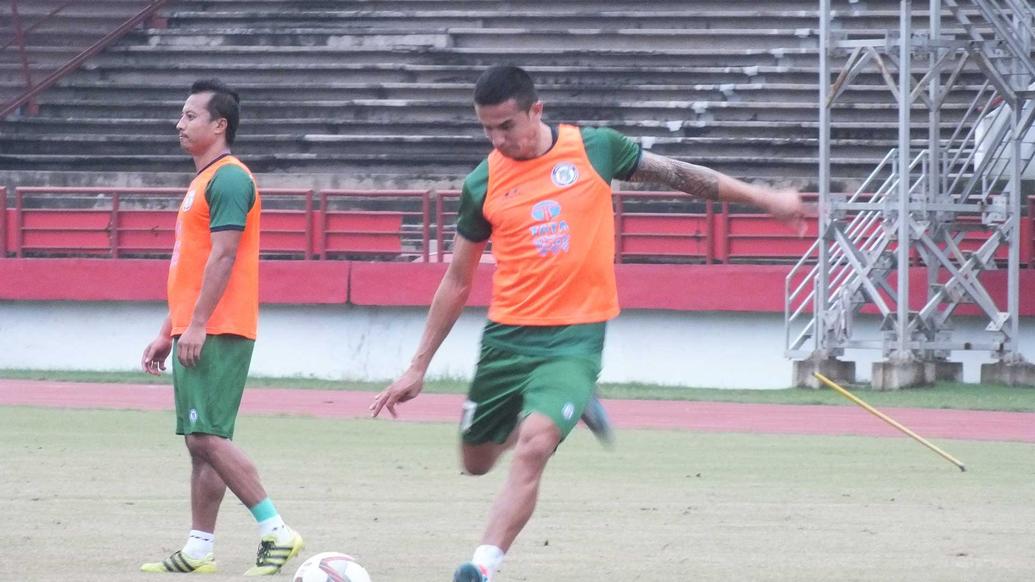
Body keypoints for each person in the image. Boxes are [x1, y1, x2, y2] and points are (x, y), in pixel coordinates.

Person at [369, 65, 805, 582]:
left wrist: (766, 200)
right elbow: (457, 281)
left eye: (506, 125)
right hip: (507, 338)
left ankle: (483, 566)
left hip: (576, 337)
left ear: (537, 110)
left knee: (533, 445)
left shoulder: (595, 148)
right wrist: (416, 367)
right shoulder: (482, 182)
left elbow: (682, 175)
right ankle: (573, 412)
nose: (497, 139)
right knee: (477, 461)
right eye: (486, 128)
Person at [139, 79, 303, 576]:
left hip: (219, 328)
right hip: (198, 327)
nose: (180, 123)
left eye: (191, 115)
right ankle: (199, 548)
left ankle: (277, 531)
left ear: (219, 125)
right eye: (181, 115)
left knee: (208, 435)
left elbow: (225, 256)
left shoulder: (230, 179)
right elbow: (190, 267)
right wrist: (170, 328)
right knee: (198, 439)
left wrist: (198, 326)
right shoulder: (202, 181)